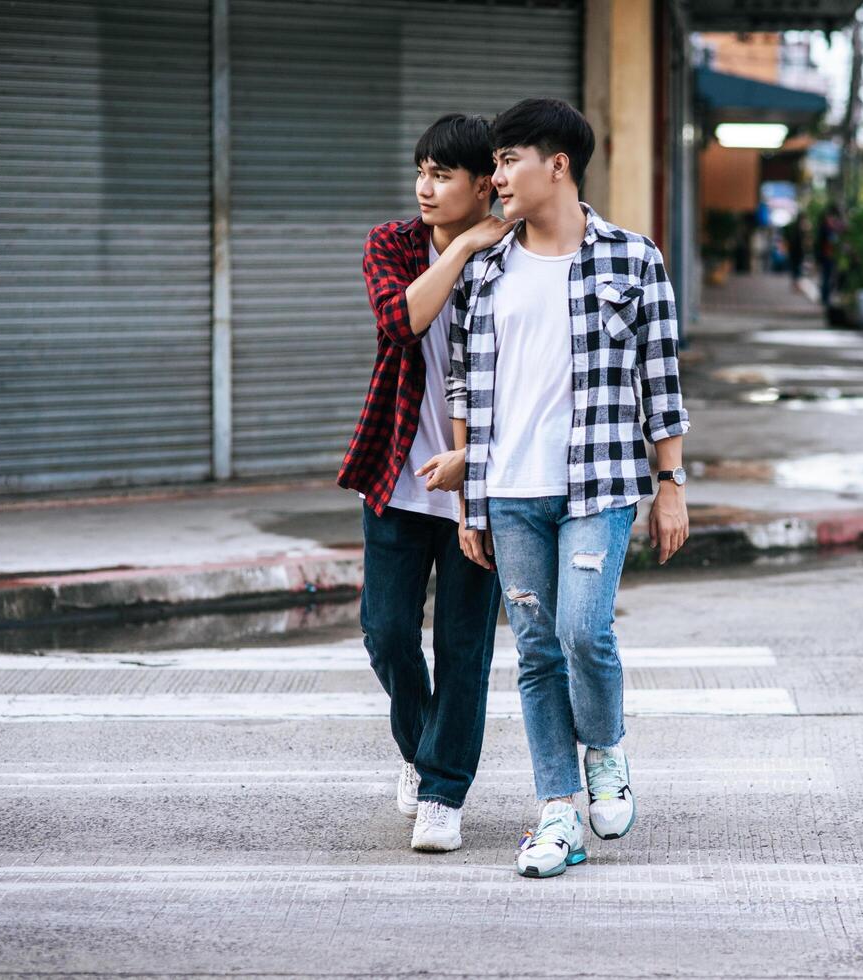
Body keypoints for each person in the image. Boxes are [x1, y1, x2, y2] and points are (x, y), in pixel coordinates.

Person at [445, 98, 691, 879]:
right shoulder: (483, 266)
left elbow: (661, 377)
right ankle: (556, 814)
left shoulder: (632, 256)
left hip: (600, 483)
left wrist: (672, 483)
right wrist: (468, 499)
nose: (496, 178)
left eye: (509, 160)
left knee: (585, 634)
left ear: (558, 165)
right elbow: (461, 386)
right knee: (536, 654)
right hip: (509, 490)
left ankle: (606, 749)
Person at [336, 113, 511, 854]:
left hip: (483, 483)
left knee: (464, 646)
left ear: (482, 184)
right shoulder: (394, 243)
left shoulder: (518, 258)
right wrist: (466, 244)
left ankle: (442, 791)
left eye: (442, 175)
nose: (424, 187)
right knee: (386, 636)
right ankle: (419, 750)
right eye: (420, 171)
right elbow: (400, 319)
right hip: (400, 479)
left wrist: (486, 246)